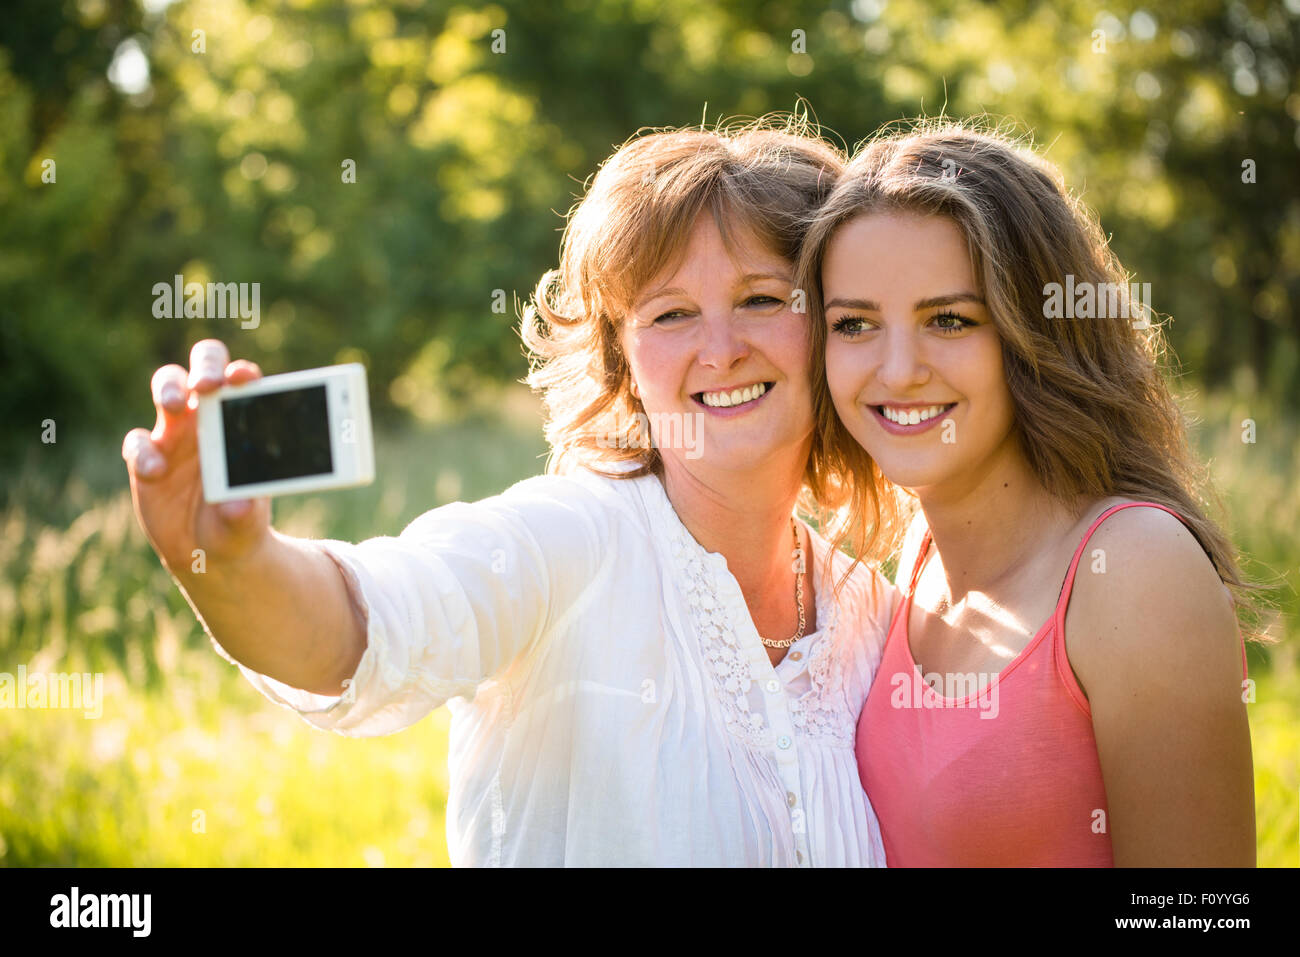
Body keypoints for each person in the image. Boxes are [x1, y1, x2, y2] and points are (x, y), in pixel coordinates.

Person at [121, 118, 899, 867]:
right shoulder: (571, 540)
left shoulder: (873, 617)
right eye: (671, 313)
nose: (721, 349)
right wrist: (231, 562)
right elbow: (369, 624)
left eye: (763, 298)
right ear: (624, 363)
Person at [797, 120, 1257, 866]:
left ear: (1035, 330)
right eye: (855, 323)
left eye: (949, 319)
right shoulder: (914, 560)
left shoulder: (1134, 570)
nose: (898, 369)